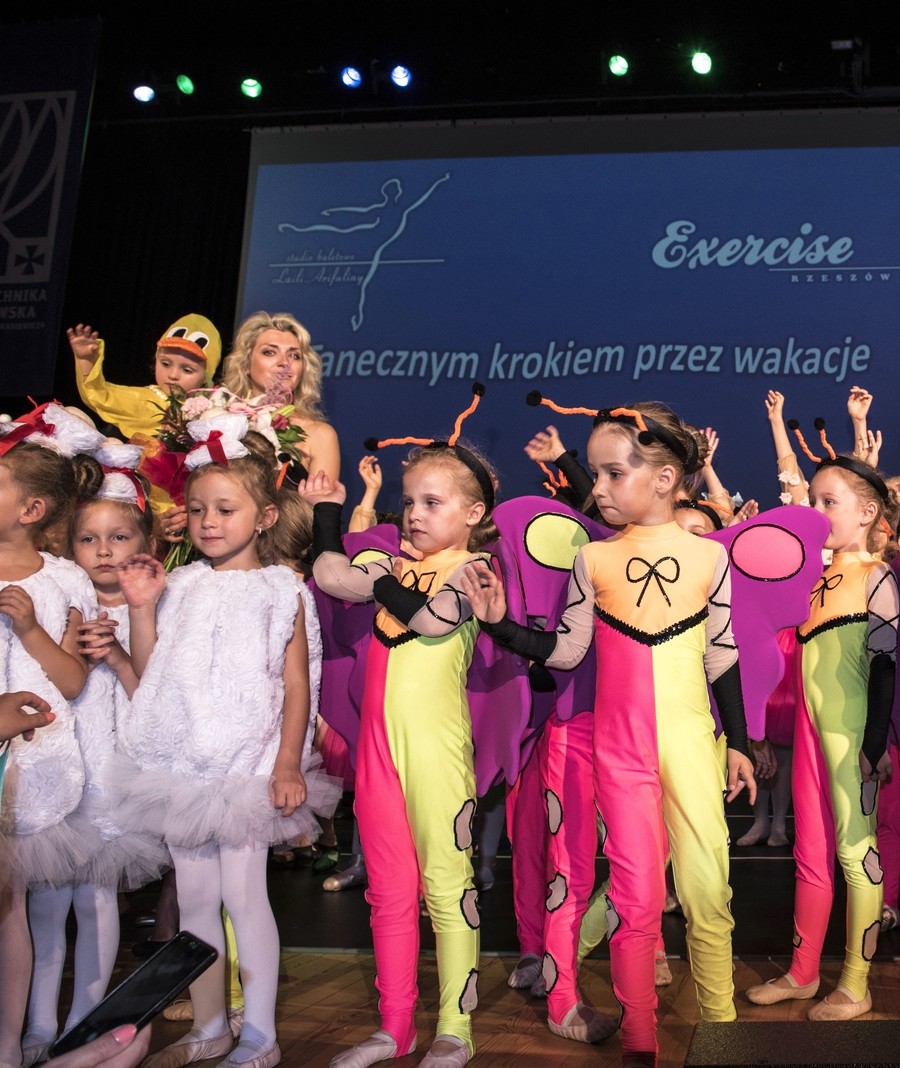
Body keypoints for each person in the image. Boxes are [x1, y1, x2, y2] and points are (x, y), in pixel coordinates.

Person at [463, 399, 756, 1066]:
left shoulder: (709, 558)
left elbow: (722, 654)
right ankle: (640, 1041)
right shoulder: (592, 560)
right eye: (594, 474)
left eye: (612, 473)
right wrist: (500, 624)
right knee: (634, 899)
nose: (597, 488)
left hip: (692, 747)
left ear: (665, 478)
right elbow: (567, 652)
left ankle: (722, 1028)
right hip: (619, 755)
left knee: (708, 892)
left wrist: (737, 741)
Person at [111, 413, 334, 1068]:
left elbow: (297, 686)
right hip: (186, 768)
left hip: (248, 768)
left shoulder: (280, 590)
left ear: (265, 516)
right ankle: (209, 1024)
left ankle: (260, 1033)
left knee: (244, 897)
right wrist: (141, 607)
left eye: (225, 510)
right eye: (197, 509)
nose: (208, 522)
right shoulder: (179, 585)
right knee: (196, 901)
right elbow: (154, 674)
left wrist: (288, 762)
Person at [304, 417, 501, 1068]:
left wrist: (385, 572)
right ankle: (395, 1028)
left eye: (431, 502)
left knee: (447, 887)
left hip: (436, 756)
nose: (414, 514)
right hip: (379, 753)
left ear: (472, 513)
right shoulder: (398, 568)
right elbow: (331, 575)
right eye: (409, 501)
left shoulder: (473, 570)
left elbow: (431, 618)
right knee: (387, 891)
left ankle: (455, 1029)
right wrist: (328, 513)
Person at [25, 448, 168, 1059]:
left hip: (113, 769)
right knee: (45, 900)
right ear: (70, 544)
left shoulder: (150, 609)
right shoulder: (63, 595)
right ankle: (38, 1022)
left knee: (96, 894)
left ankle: (85, 1019)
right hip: (61, 762)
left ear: (146, 542)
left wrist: (115, 656)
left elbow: (155, 701)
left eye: (118, 537)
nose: (104, 550)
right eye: (89, 539)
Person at [745, 455, 899, 1022]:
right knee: (810, 853)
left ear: (867, 512)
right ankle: (803, 972)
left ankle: (856, 985)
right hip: (811, 735)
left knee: (856, 854)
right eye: (812, 500)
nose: (815, 511)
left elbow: (887, 667)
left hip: (851, 735)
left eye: (827, 502)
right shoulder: (812, 577)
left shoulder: (877, 576)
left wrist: (874, 744)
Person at [0, 406, 101, 1068]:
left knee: (10, 908)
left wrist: (31, 628)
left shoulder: (63, 580)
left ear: (31, 510)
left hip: (33, 768)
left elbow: (70, 680)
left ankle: (9, 1043)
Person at [219, 312, 341, 482]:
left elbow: (322, 499)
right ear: (245, 364)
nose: (284, 362)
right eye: (270, 352)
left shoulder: (320, 435)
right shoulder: (217, 419)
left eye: (294, 356)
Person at [68, 316, 224, 439]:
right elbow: (101, 395)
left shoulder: (216, 406)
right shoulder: (146, 400)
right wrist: (86, 361)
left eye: (187, 370)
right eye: (165, 364)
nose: (173, 375)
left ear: (206, 376)